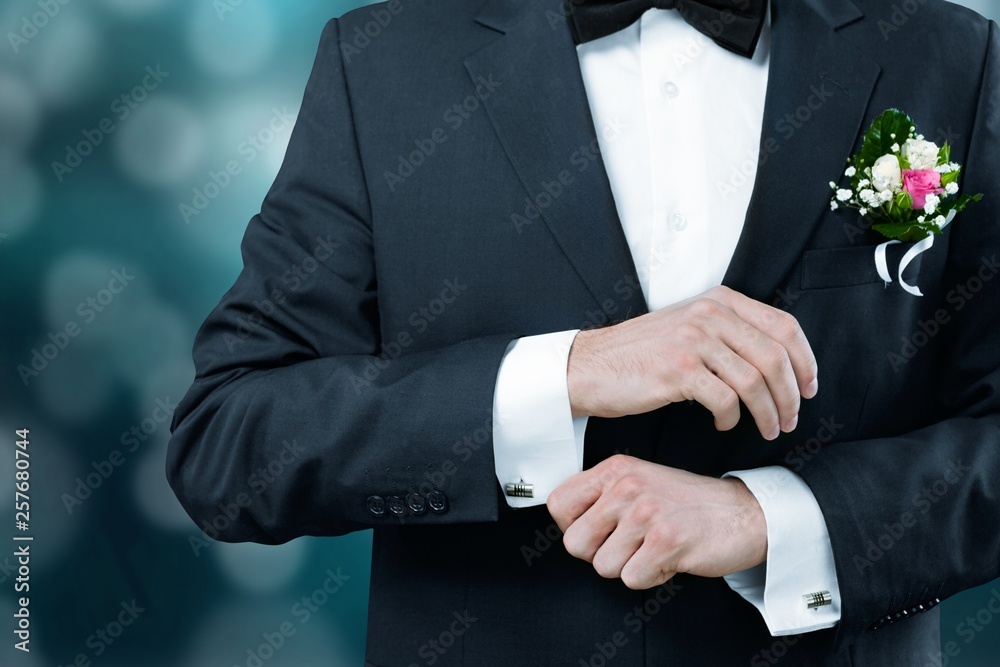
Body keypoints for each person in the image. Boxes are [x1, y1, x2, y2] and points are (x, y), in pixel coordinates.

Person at [167, 0, 1000, 664]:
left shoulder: (952, 57)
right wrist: (566, 373)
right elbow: (229, 442)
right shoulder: (379, 63)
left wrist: (772, 519)